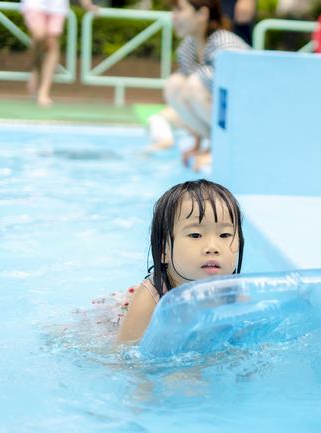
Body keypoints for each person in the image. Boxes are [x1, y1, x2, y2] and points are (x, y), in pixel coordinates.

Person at [117, 179, 245, 342]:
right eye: (195, 235)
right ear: (164, 250)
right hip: (123, 312)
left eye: (225, 235)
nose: (213, 247)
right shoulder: (150, 301)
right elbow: (125, 358)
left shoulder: (234, 294)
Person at [164, 0, 250, 171]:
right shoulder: (187, 47)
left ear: (202, 14)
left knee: (195, 84)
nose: (173, 16)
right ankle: (210, 144)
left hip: (249, 121)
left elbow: (244, 98)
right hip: (229, 121)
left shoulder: (225, 45)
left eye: (179, 10)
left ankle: (222, 149)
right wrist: (197, 145)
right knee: (174, 85)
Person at [21, 0, 97, 107]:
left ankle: (44, 91)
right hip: (34, 4)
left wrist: (86, 3)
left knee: (52, 43)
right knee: (39, 35)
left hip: (57, 6)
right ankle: (36, 69)